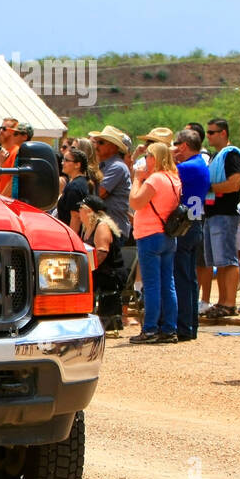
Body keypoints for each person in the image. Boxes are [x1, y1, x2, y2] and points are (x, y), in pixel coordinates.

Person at [128, 142, 181, 344]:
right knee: (168, 284)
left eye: (149, 155)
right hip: (167, 236)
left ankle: (150, 329)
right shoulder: (174, 178)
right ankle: (169, 328)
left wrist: (136, 180)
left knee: (151, 285)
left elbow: (135, 202)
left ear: (156, 158)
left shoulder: (156, 179)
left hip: (150, 235)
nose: (146, 159)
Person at [201, 117, 240, 318]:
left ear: (223, 133)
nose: (208, 136)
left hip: (226, 213)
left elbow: (234, 184)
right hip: (213, 214)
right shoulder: (216, 156)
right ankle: (222, 302)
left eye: (211, 132)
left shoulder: (231, 155)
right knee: (220, 260)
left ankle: (229, 303)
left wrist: (208, 187)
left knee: (228, 259)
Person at [171, 128, 210, 340]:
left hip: (185, 226)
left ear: (184, 146)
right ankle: (191, 326)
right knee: (190, 278)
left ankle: (184, 327)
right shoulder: (200, 164)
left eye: (177, 144)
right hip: (196, 222)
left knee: (183, 278)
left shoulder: (186, 167)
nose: (175, 148)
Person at [77, 194, 124, 332]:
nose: (78, 211)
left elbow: (102, 253)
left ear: (88, 211)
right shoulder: (87, 228)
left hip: (110, 274)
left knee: (81, 281)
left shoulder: (101, 226)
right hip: (100, 271)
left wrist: (86, 271)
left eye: (81, 208)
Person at [88, 125, 132, 242]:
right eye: (96, 142)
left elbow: (100, 193)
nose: (96, 146)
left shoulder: (117, 167)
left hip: (114, 227)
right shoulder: (105, 166)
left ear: (114, 147)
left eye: (101, 142)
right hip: (107, 226)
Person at [57, 146, 90, 231]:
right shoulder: (80, 182)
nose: (62, 163)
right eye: (63, 160)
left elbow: (76, 218)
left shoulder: (75, 187)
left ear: (77, 165)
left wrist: (72, 241)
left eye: (66, 160)